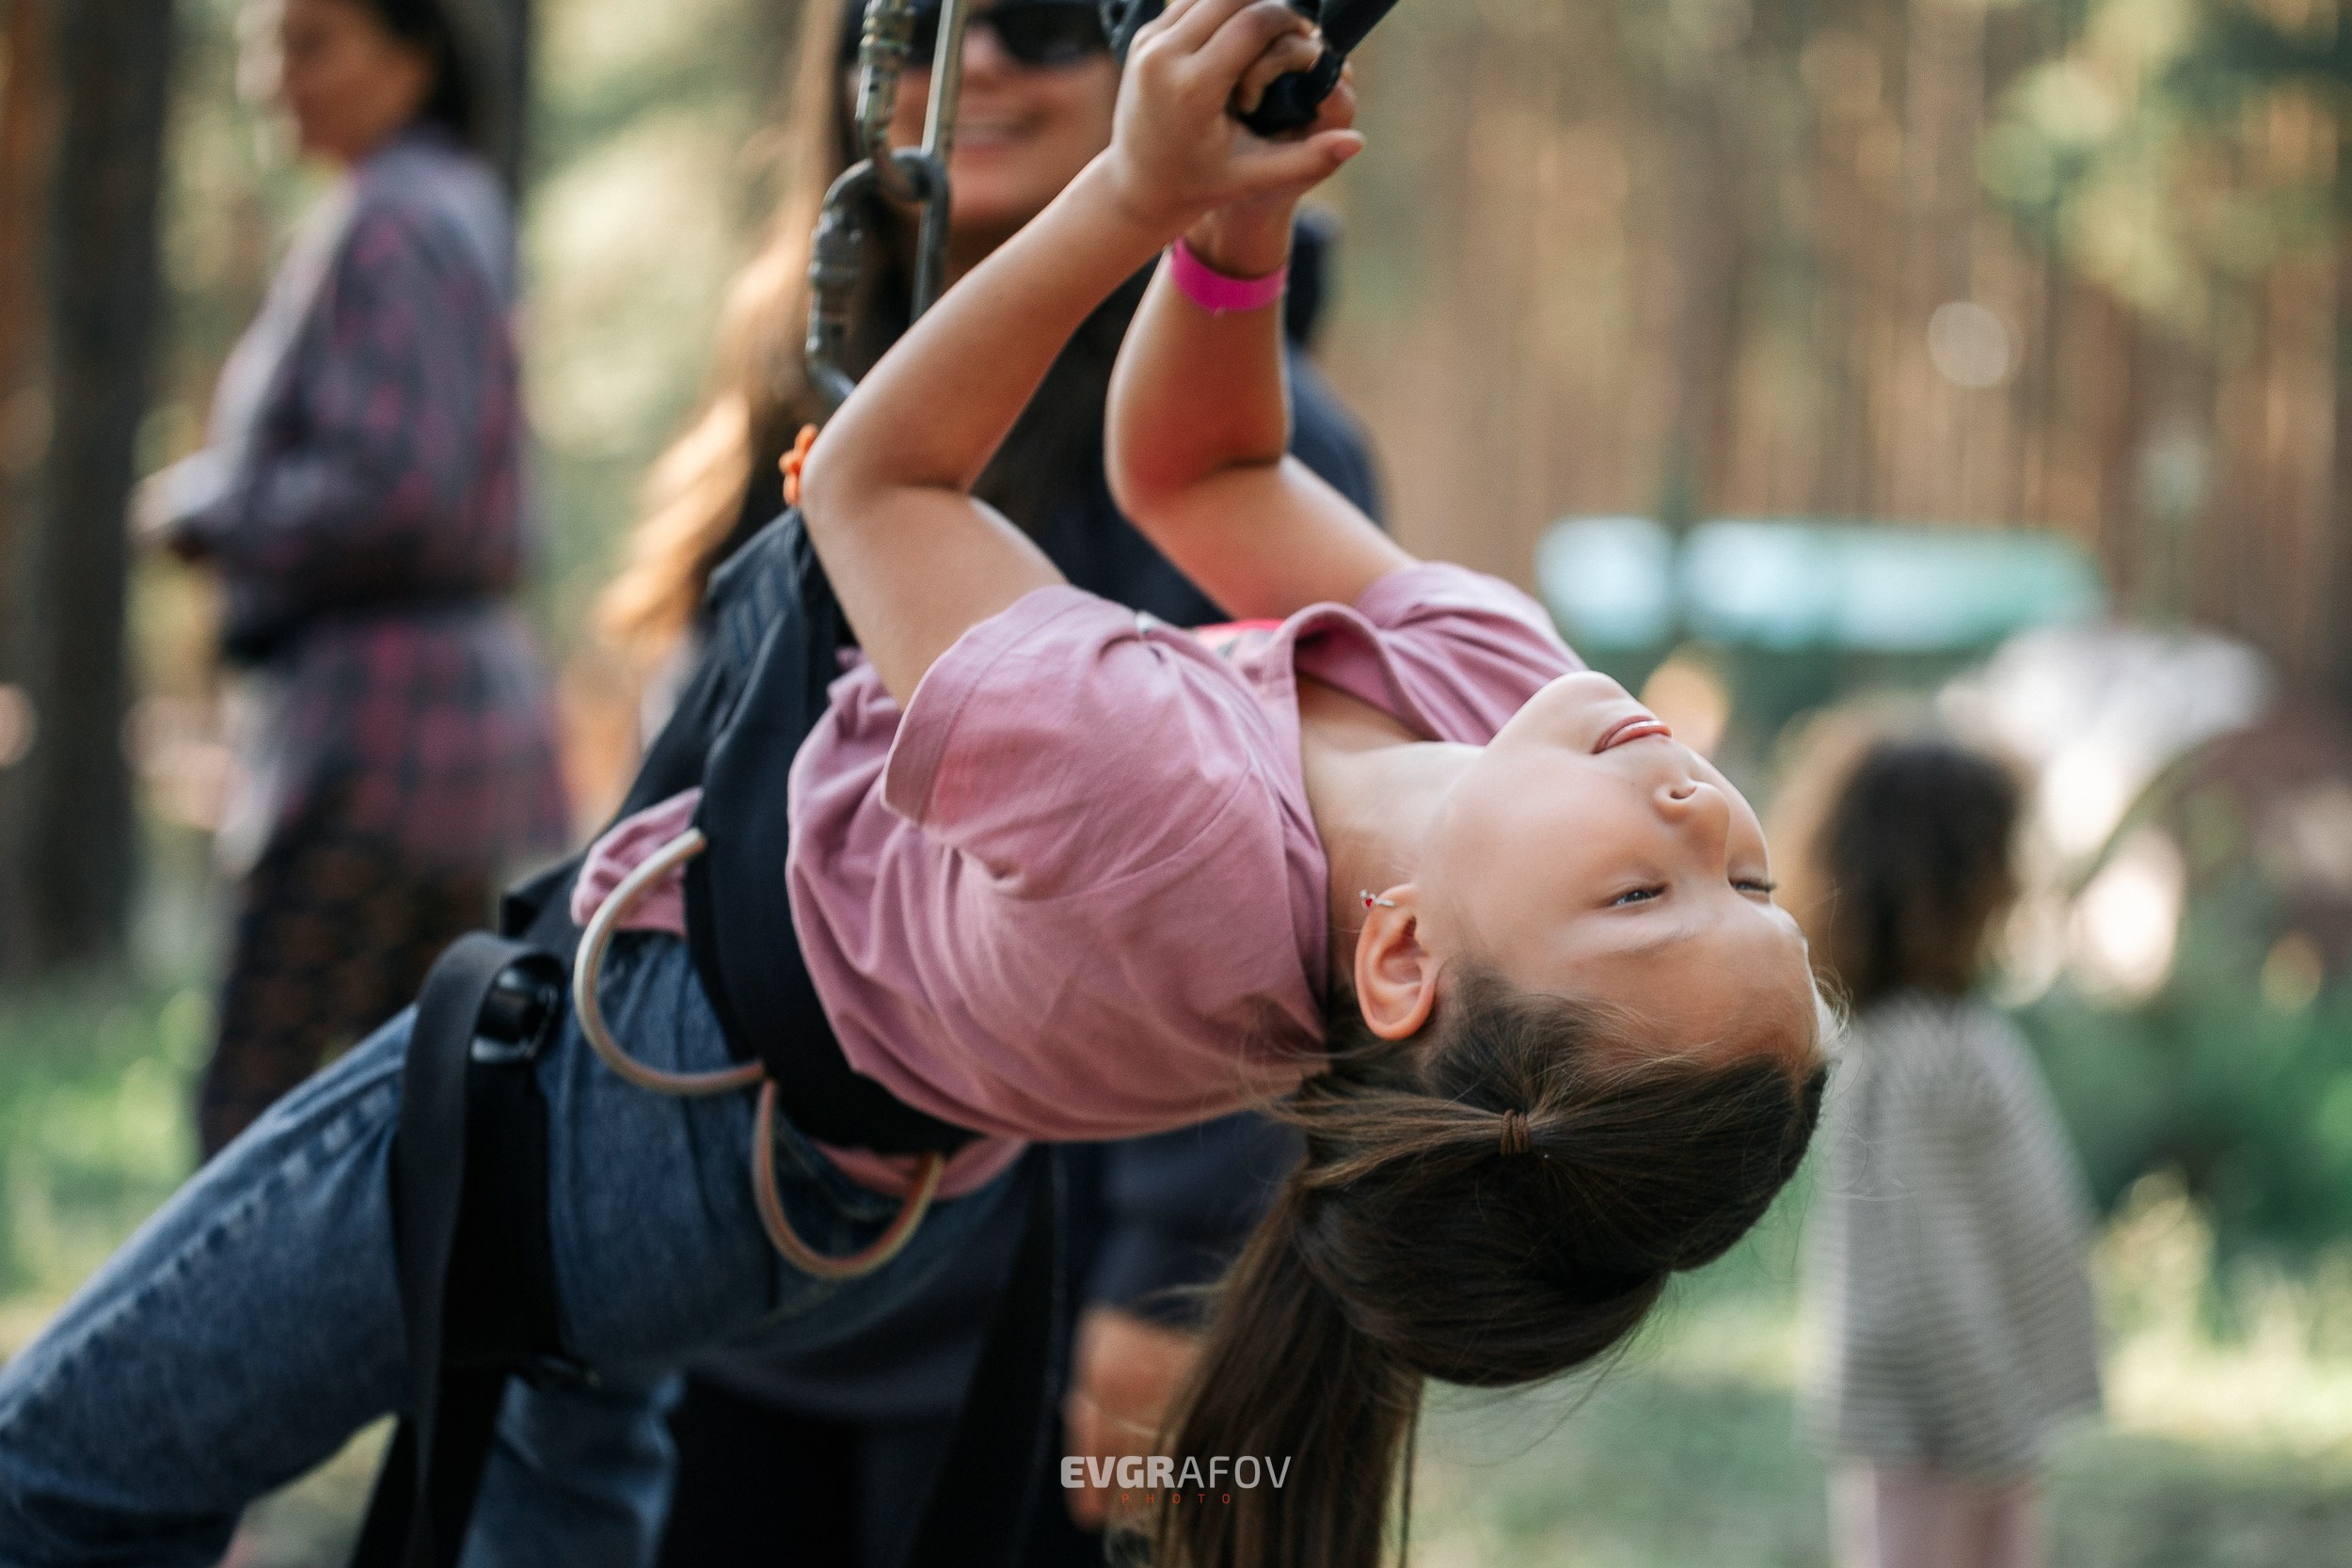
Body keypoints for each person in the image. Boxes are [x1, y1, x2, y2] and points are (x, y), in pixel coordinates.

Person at [0, 9, 1823, 1568]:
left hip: (660, 1104)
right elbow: (1206, 468)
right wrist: (1229, 249)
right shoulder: (1497, 696)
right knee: (536, 1483)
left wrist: (1134, 194)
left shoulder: (1176, 817)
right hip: (775, 1144)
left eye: (1640, 900)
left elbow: (874, 494)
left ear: (1408, 963)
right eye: (1755, 892)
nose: (1703, 825)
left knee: (66, 1469)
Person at [612, 2, 1383, 1560]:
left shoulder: (1243, 450)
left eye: (1045, 15)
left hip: (1023, 1312)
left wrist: (1171, 1280)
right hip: (729, 1267)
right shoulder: (814, 371)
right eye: (899, 25)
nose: (982, 68)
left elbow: (1276, 896)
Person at [135, 0, 567, 1158]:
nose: (277, 80)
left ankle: (212, 1343)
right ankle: (413, 1345)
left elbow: (403, 485)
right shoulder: (449, 201)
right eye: (264, 47)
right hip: (439, 729)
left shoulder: (390, 219)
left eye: (312, 44)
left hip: (374, 733)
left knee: (247, 1114)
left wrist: (210, 508)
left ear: (411, 53)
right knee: (417, 1120)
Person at [1785, 728, 2102, 1568]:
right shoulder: (1913, 1051)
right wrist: (1991, 1414)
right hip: (1941, 1419)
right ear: (1953, 880)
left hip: (1980, 1412)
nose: (2020, 880)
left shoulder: (1951, 1028)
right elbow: (1928, 1253)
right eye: (2004, 857)